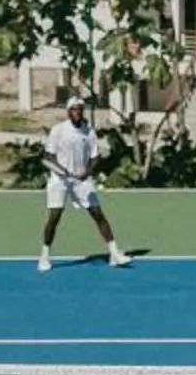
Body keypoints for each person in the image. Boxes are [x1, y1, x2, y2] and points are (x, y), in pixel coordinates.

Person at [38, 91, 130, 271]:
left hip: (82, 181)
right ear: (68, 112)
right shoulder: (58, 130)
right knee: (54, 217)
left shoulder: (89, 133)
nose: (77, 112)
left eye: (80, 109)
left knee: (98, 213)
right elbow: (48, 156)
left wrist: (86, 173)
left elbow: (95, 158)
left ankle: (114, 253)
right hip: (60, 181)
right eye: (74, 110)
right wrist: (62, 171)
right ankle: (44, 256)